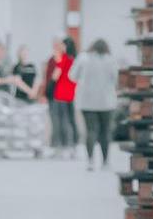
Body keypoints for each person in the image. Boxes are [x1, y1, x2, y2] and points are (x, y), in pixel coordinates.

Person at [69, 38, 119, 171]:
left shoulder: (83, 58)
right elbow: (116, 79)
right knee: (105, 132)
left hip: (87, 102)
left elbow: (72, 76)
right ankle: (105, 162)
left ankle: (90, 161)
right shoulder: (110, 60)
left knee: (90, 130)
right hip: (107, 102)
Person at [46, 37, 79, 158]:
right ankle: (68, 147)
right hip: (65, 94)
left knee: (61, 121)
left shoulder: (64, 59)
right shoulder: (71, 59)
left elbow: (56, 76)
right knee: (66, 121)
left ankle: (64, 147)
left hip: (60, 95)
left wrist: (48, 90)